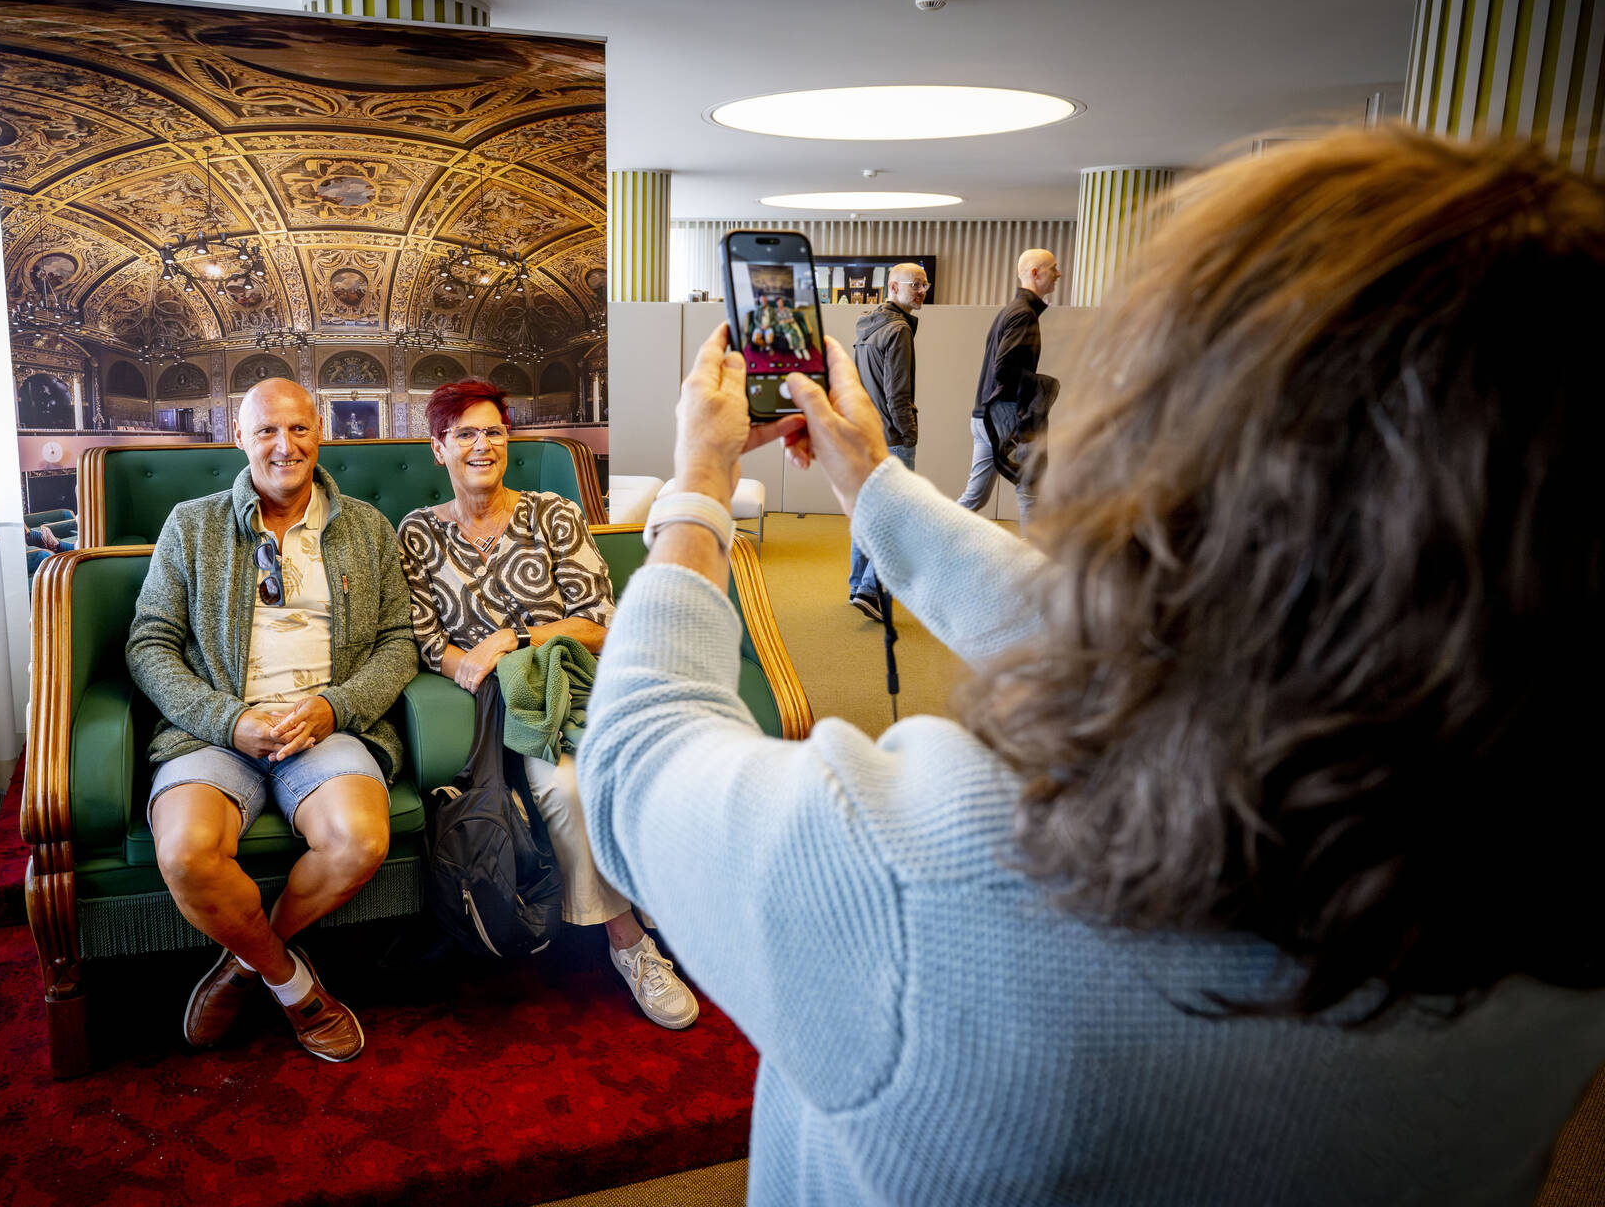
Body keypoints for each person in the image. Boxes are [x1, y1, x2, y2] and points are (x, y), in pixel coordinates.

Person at [576, 130, 1605, 1203]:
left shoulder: (934, 876)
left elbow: (638, 760)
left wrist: (694, 488)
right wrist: (873, 484)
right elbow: (1125, 643)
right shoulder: (1551, 889)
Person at [126, 377, 418, 1063]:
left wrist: (332, 708)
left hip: (327, 727)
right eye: (266, 431)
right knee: (186, 852)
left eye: (298, 430)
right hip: (214, 731)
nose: (284, 446)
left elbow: (399, 642)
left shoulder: (367, 528)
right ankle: (296, 989)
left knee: (359, 841)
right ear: (239, 438)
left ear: (320, 434)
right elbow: (149, 644)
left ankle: (245, 964)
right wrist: (228, 720)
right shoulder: (191, 525)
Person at [396, 379, 700, 1029]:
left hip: (571, 689)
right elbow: (427, 642)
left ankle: (647, 935)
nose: (483, 446)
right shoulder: (418, 532)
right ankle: (633, 941)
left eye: (495, 432)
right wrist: (475, 670)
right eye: (466, 434)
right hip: (496, 709)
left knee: (582, 781)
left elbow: (601, 620)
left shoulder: (552, 512)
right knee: (563, 784)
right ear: (437, 448)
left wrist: (515, 639)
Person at [846, 261, 926, 620]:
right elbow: (897, 394)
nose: (922, 290)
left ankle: (855, 586)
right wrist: (908, 434)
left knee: (869, 514)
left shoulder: (867, 328)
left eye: (925, 284)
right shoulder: (898, 331)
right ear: (893, 288)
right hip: (892, 436)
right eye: (915, 285)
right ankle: (870, 590)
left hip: (866, 434)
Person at [961, 247, 1061, 531]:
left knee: (974, 497)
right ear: (1034, 272)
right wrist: (1042, 385)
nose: (1058, 273)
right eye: (1053, 268)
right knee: (1030, 491)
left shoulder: (1012, 311)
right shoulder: (1023, 314)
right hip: (1005, 415)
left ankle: (926, 545)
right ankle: (1033, 563)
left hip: (985, 416)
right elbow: (1003, 368)